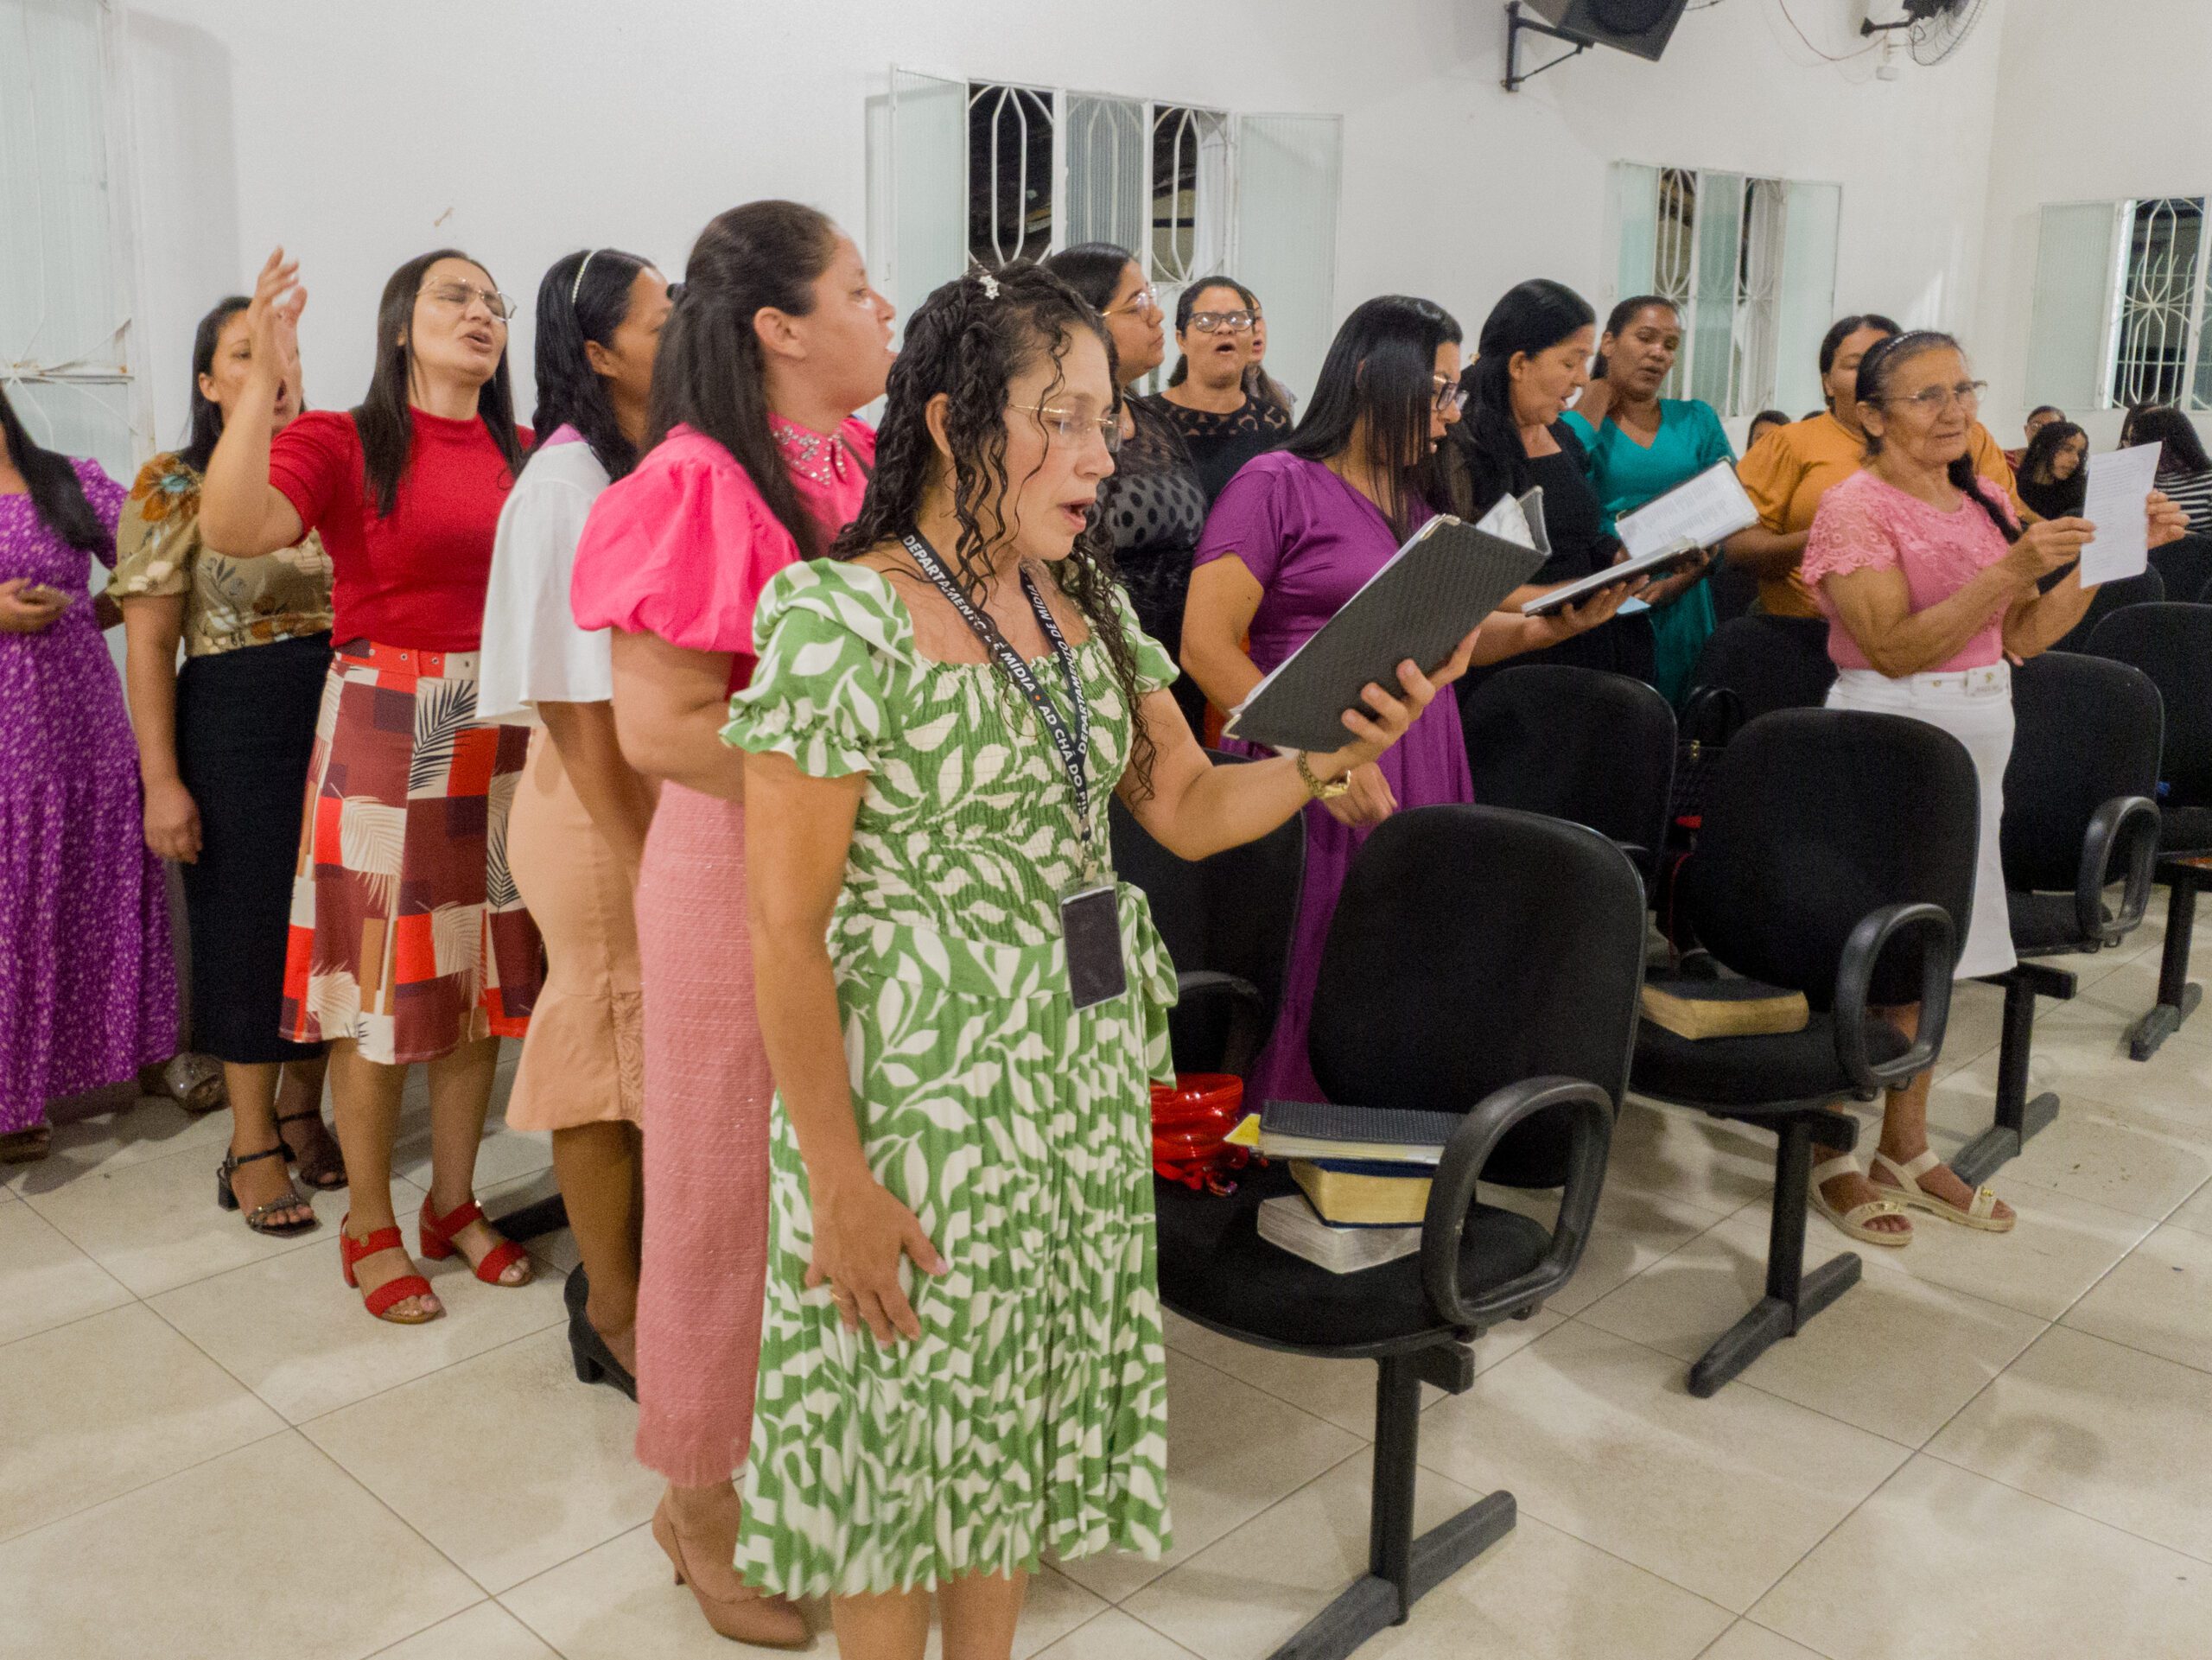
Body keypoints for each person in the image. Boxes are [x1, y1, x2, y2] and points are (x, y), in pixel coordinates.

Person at [723, 261, 1474, 1660]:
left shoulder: (1084, 609)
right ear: (952, 425)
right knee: (900, 1457)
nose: (1100, 450)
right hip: (911, 1090)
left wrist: (1321, 759)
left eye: (1107, 419)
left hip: (1064, 1072)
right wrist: (836, 1177)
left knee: (1002, 1432)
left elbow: (1185, 808)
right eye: (1059, 419)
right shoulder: (841, 623)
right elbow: (782, 928)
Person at [568, 199, 890, 1650]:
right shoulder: (695, 479)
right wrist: (861, 778)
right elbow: (662, 725)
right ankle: (695, 1499)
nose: (884, 313)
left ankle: (815, 1458)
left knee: (844, 1167)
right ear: (780, 325)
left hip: (859, 860)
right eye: (861, 289)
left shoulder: (864, 461)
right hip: (735, 866)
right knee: (722, 1196)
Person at [200, 246, 540, 1323]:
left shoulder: (528, 454)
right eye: (455, 295)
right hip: (388, 726)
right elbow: (233, 529)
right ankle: (369, 1224)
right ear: (401, 322)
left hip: (505, 729)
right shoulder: (344, 440)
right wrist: (261, 380)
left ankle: (450, 1199)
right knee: (381, 997)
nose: (480, 313)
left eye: (494, 301)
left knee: (477, 986)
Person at [1182, 293, 1629, 1109]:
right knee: (1318, 948)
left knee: (1401, 952)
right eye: (1439, 389)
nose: (1451, 413)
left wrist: (1544, 627)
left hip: (1421, 742)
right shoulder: (1276, 482)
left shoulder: (1413, 501)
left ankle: (1388, 1134)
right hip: (1312, 743)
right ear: (1369, 376)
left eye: (1457, 391)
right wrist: (1313, 760)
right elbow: (1207, 645)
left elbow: (1455, 633)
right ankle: (1291, 1139)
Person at [1800, 331, 2187, 1245]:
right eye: (1926, 395)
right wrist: (2009, 570)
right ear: (1871, 414)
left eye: (1962, 389)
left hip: (1980, 725)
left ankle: (1906, 1143)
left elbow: (2023, 636)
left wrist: (2102, 556)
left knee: (1937, 946)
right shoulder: (1852, 506)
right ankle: (1825, 1150)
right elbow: (1892, 645)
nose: (1954, 410)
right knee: (1867, 945)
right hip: (1888, 731)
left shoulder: (1978, 495)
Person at [477, 248, 670, 1394]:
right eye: (662, 318)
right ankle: (615, 1309)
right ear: (600, 354)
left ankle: (648, 1280)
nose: (685, 328)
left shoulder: (649, 461)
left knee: (654, 1057)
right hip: (597, 804)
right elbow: (564, 687)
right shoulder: (562, 484)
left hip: (651, 791)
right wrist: (644, 845)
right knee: (603, 1053)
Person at [113, 296, 340, 1231]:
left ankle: (302, 1109)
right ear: (209, 385)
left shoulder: (334, 462)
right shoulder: (173, 482)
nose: (271, 367)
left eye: (282, 348)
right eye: (244, 355)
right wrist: (161, 780)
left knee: (333, 920)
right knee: (248, 930)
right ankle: (250, 1141)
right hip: (235, 717)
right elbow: (150, 643)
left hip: (343, 708)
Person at [0, 388, 179, 1164]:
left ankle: (110, 1064)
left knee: (91, 886)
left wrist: (85, 612)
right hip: (9, 746)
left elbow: (152, 561)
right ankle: (11, 1096)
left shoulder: (67, 479)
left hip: (84, 732)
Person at [1446, 278, 1674, 690]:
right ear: (1519, 365)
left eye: (1586, 362)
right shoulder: (1462, 449)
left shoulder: (1564, 437)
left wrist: (1623, 560)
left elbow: (1578, 535)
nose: (1583, 380)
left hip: (1586, 643)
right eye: (1571, 363)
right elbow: (1462, 585)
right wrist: (1563, 593)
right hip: (1511, 663)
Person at [1726, 314, 2026, 621]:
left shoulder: (1963, 437)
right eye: (1856, 365)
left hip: (1959, 627)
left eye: (1885, 362)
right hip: (1808, 632)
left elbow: (2007, 531)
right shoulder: (1790, 443)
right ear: (1827, 383)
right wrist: (1833, 536)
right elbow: (1739, 548)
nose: (1873, 374)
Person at [1043, 242, 1211, 733]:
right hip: (1097, 666)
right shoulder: (1056, 427)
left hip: (1180, 667)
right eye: (1137, 304)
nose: (1158, 315)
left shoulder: (1157, 421)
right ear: (1088, 322)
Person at [1565, 294, 1737, 703]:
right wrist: (1595, 396)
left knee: (1683, 728)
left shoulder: (1696, 419)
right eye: (1645, 338)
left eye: (1670, 345)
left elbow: (1731, 513)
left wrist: (1683, 579)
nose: (1657, 353)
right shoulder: (1575, 426)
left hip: (1684, 597)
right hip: (1608, 593)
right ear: (1608, 343)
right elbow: (1563, 495)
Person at [1143, 277, 1291, 503]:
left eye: (1237, 320)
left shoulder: (1274, 423)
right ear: (1181, 340)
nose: (1224, 329)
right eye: (1206, 321)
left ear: (1252, 335)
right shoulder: (1146, 419)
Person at [2122, 405, 2212, 537]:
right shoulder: (2143, 481)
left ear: (2163, 442)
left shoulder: (2208, 480)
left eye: (2136, 441)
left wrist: (2181, 536)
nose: (2131, 449)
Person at [2015, 419, 2088, 522]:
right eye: (2067, 449)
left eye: (2080, 453)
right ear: (2043, 447)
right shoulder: (2012, 488)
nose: (2076, 459)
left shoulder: (2080, 496)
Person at [2005, 403, 2063, 470]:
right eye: (2036, 426)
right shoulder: (2002, 459)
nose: (2042, 432)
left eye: (2052, 428)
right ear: (2026, 429)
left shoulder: (2066, 467)